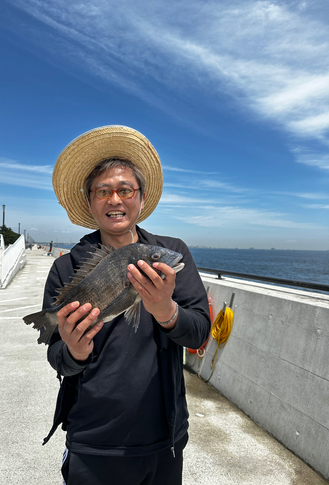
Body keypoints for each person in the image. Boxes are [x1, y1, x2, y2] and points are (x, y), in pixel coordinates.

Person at [41, 125, 211, 485]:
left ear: (141, 198)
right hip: (93, 443)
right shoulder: (65, 268)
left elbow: (199, 330)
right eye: (103, 191)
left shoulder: (171, 254)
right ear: (90, 202)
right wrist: (73, 350)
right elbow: (57, 358)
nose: (114, 199)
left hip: (164, 440)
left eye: (124, 190)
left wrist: (167, 311)